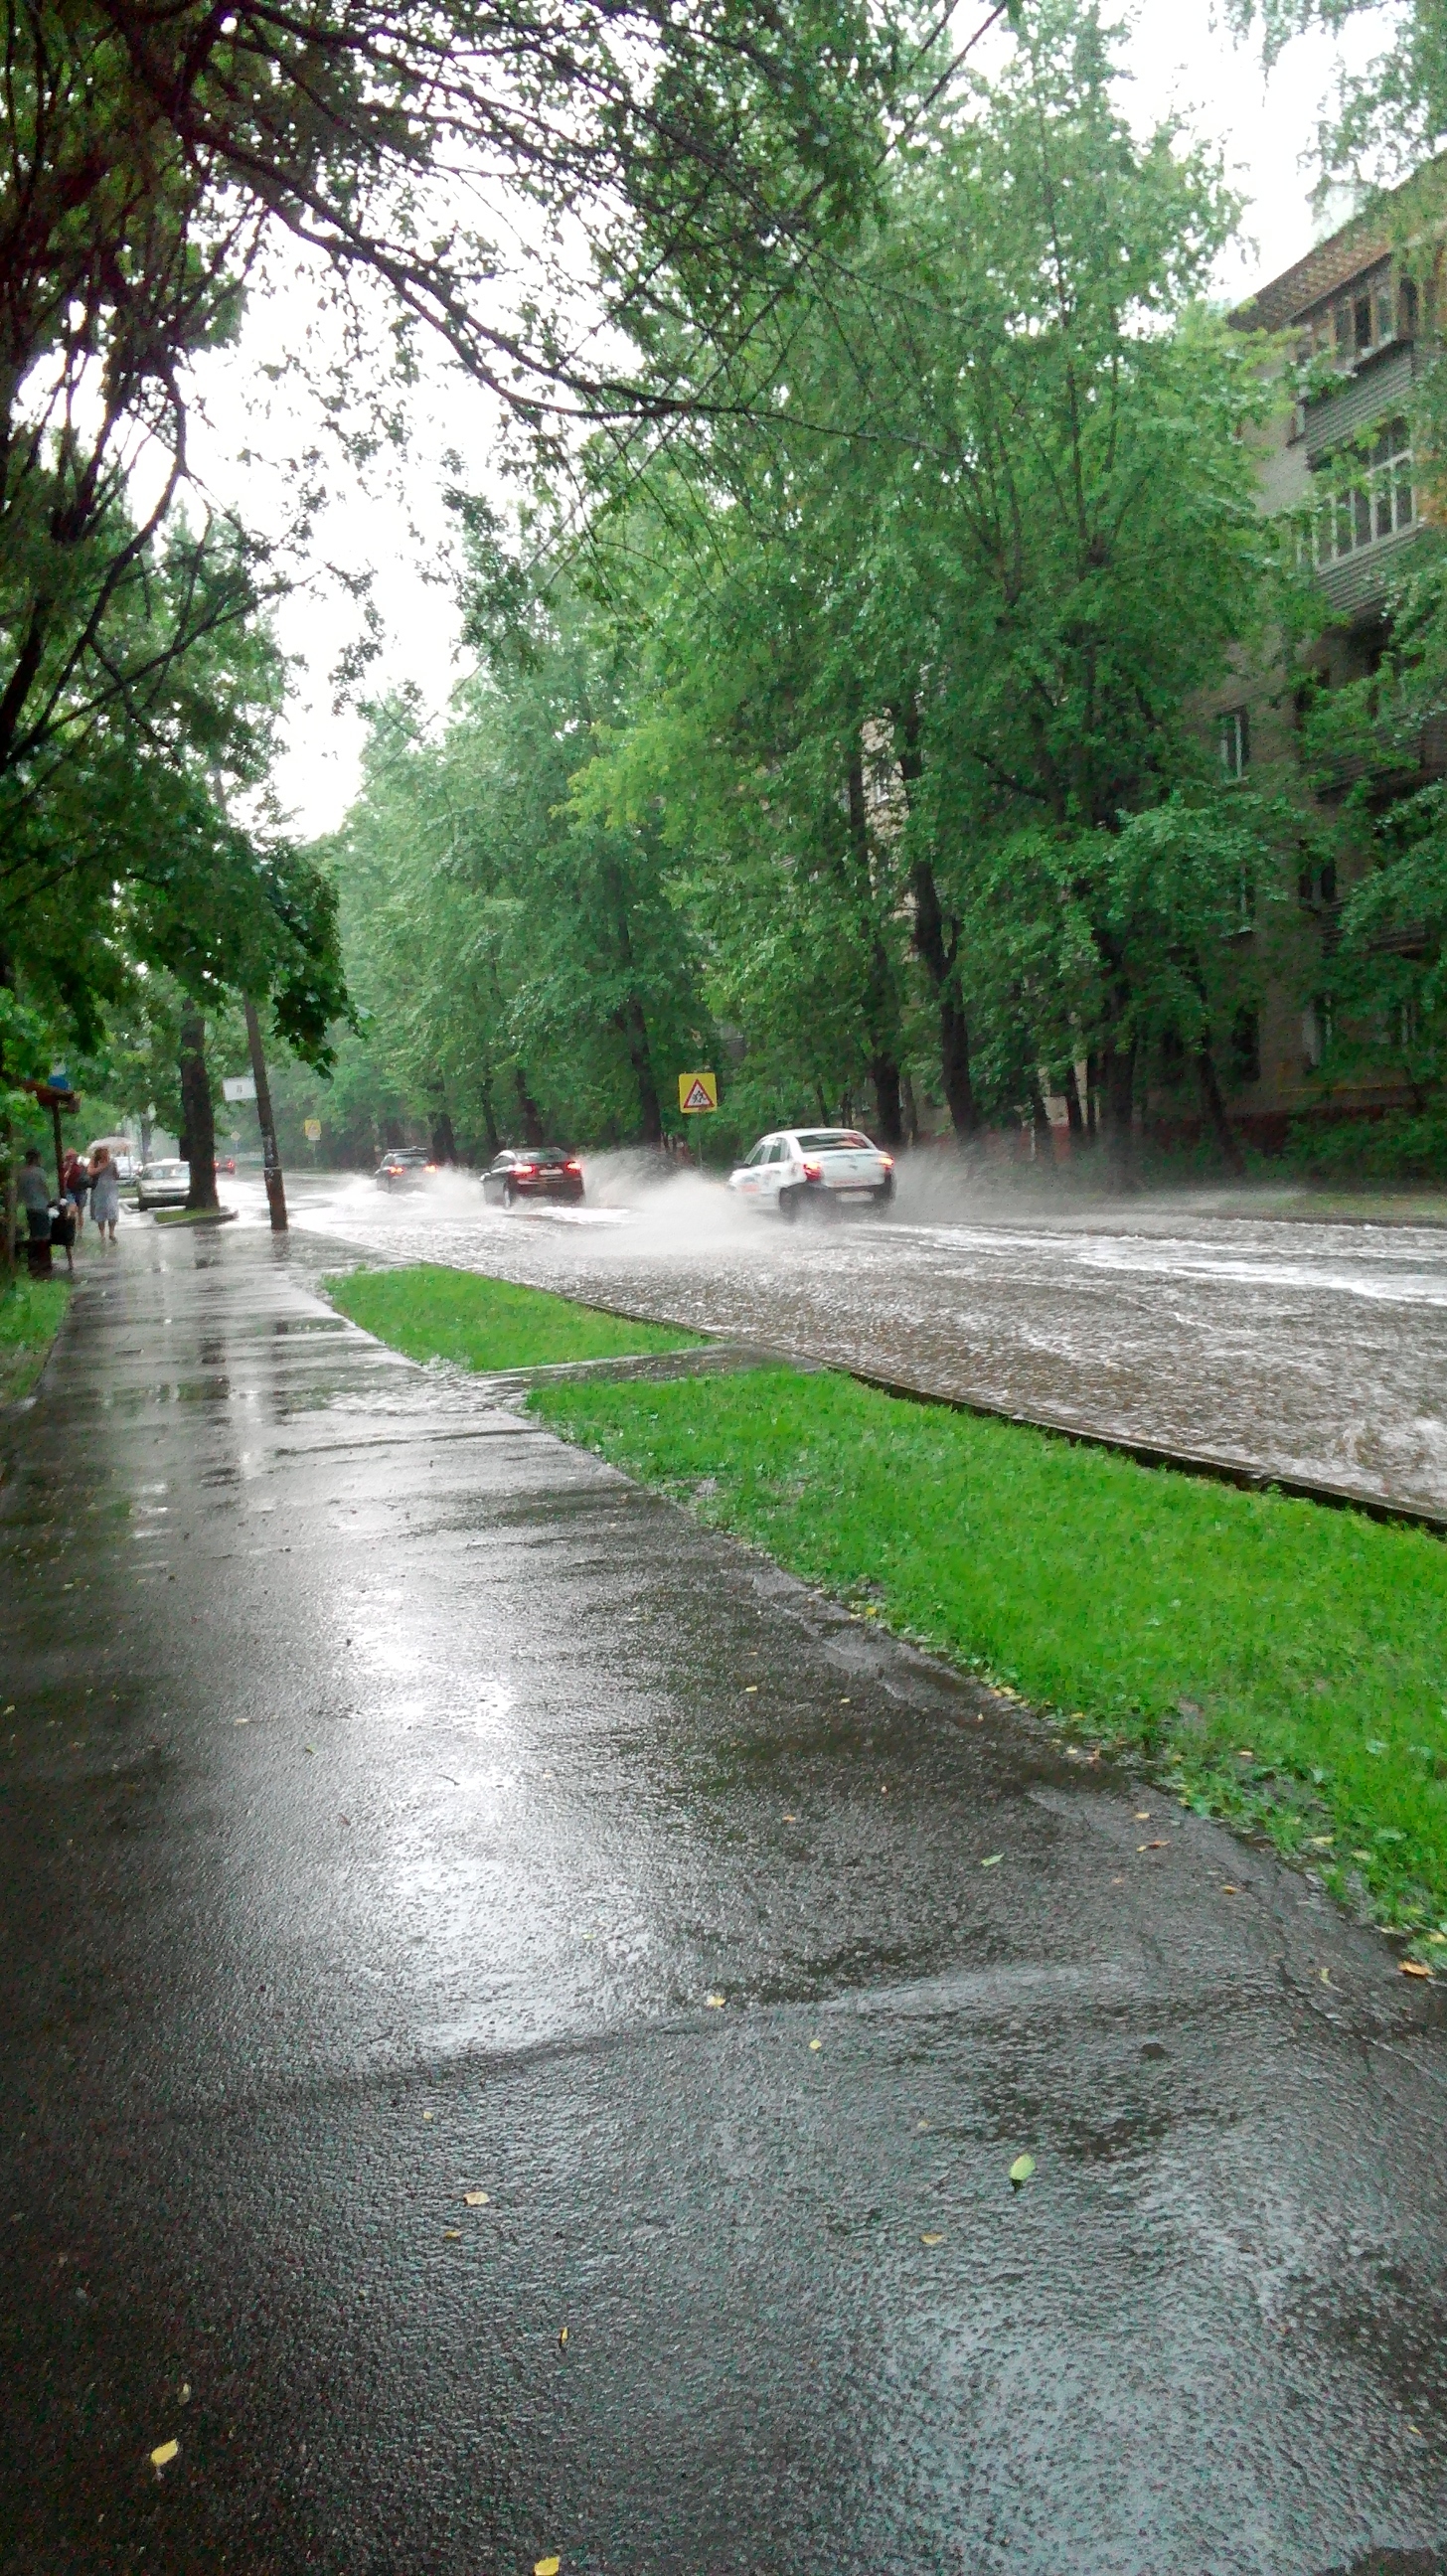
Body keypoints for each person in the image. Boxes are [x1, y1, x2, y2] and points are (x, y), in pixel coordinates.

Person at [17, 1148, 51, 1242]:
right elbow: (45, 1189)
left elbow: (20, 1191)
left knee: (34, 1234)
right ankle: (43, 1255)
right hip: (41, 1207)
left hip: (29, 1208)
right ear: (36, 1158)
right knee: (44, 1235)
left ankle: (34, 1254)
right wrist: (49, 1202)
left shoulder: (22, 1173)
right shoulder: (39, 1172)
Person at [89, 1144, 120, 1242]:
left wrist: (115, 1169)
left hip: (111, 1187)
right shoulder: (95, 1161)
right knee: (100, 1210)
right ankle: (102, 1234)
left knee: (112, 1208)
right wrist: (101, 1167)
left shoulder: (112, 1161)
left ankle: (111, 1233)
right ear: (99, 1152)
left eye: (107, 1151)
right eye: (104, 1151)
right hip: (99, 1188)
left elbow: (116, 1176)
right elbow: (90, 1172)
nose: (106, 1153)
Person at [62, 1149, 88, 1237]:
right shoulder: (64, 1167)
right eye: (70, 1157)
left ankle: (79, 1232)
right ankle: (71, 1228)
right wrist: (69, 1168)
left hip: (80, 1190)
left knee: (80, 1212)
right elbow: (64, 1178)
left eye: (74, 1157)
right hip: (69, 1190)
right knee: (72, 1209)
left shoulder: (80, 1166)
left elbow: (86, 1177)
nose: (72, 1159)